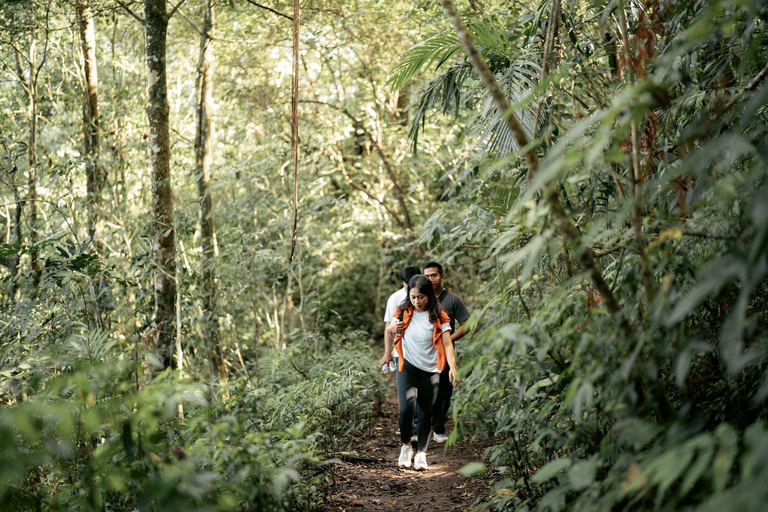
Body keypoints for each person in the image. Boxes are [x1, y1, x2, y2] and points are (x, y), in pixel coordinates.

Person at [388, 274, 458, 471]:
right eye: (413, 297)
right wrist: (392, 327)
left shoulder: (439, 314)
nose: (416, 301)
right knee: (406, 410)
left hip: (431, 369)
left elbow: (447, 343)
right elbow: (389, 328)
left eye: (421, 297)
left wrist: (453, 367)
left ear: (429, 295)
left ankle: (421, 454)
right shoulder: (402, 310)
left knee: (426, 412)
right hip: (407, 365)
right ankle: (405, 446)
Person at [423, 261, 470, 444]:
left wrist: (448, 340)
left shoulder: (452, 299)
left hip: (445, 354)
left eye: (434, 275)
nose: (430, 279)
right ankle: (420, 428)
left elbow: (467, 325)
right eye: (427, 276)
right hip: (423, 354)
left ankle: (439, 428)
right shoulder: (419, 298)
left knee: (443, 391)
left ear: (442, 276)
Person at [380, 266, 421, 440]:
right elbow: (388, 327)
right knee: (405, 391)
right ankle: (408, 425)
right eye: (407, 286)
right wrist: (387, 352)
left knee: (422, 390)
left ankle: (420, 426)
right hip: (401, 352)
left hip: (422, 352)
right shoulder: (395, 299)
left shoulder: (426, 297)